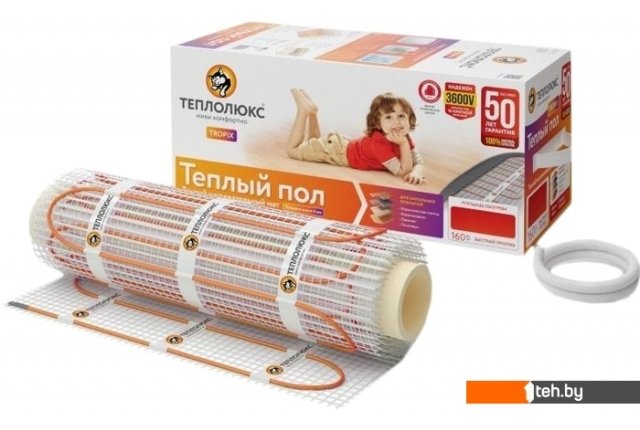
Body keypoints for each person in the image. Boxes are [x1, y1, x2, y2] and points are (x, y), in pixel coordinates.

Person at [287, 89, 425, 184]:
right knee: (292, 151)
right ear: (377, 123)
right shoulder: (381, 143)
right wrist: (403, 145)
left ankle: (312, 112)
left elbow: (418, 161)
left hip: (343, 144)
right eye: (388, 117)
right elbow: (403, 171)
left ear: (409, 118)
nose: (397, 122)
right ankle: (303, 110)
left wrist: (417, 173)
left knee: (313, 142)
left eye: (401, 116)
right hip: (336, 151)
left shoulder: (403, 136)